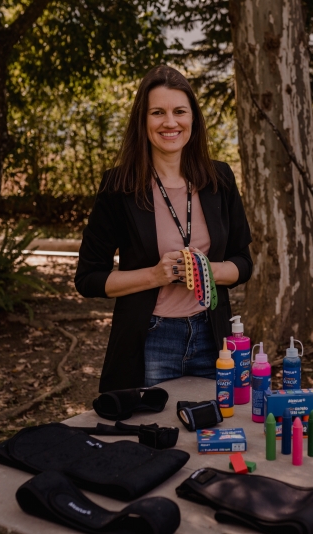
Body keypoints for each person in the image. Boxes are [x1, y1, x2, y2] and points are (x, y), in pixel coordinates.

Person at [74, 65, 253, 392]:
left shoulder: (220, 179)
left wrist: (205, 271)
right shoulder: (118, 187)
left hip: (214, 337)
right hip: (151, 338)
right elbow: (88, 279)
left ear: (193, 119)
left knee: (213, 434)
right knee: (152, 437)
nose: (170, 122)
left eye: (179, 111)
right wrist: (155, 276)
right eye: (158, 112)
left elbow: (244, 263)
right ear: (143, 121)